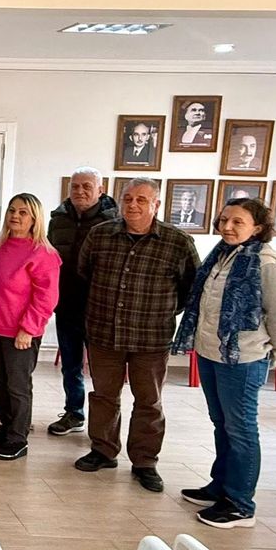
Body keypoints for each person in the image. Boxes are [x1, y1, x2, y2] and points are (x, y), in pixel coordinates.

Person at [75, 177, 199, 493]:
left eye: (141, 200)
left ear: (156, 204)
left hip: (151, 338)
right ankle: (103, 450)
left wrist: (160, 311)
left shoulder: (178, 242)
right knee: (104, 396)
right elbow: (84, 276)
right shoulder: (100, 235)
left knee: (149, 401)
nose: (132, 205)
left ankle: (145, 462)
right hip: (104, 333)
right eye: (128, 198)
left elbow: (190, 289)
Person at [173, 197, 276, 529]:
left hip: (244, 358)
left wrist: (275, 351)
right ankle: (221, 487)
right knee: (221, 423)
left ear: (258, 227)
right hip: (212, 352)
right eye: (224, 220)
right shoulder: (222, 254)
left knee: (241, 429)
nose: (227, 226)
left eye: (237, 222)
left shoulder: (265, 262)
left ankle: (240, 504)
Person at [0, 193, 62, 461]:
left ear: (35, 219)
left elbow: (47, 297)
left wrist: (29, 328)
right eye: (12, 210)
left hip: (20, 333)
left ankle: (18, 437)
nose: (15, 216)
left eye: (23, 212)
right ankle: (6, 428)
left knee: (17, 387)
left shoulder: (43, 253)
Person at [46, 167, 117, 436]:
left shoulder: (113, 221)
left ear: (100, 190)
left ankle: (103, 425)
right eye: (75, 186)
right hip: (66, 304)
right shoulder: (58, 219)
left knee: (102, 369)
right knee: (71, 364)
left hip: (100, 308)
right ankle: (74, 413)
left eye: (87, 186)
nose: (80, 191)